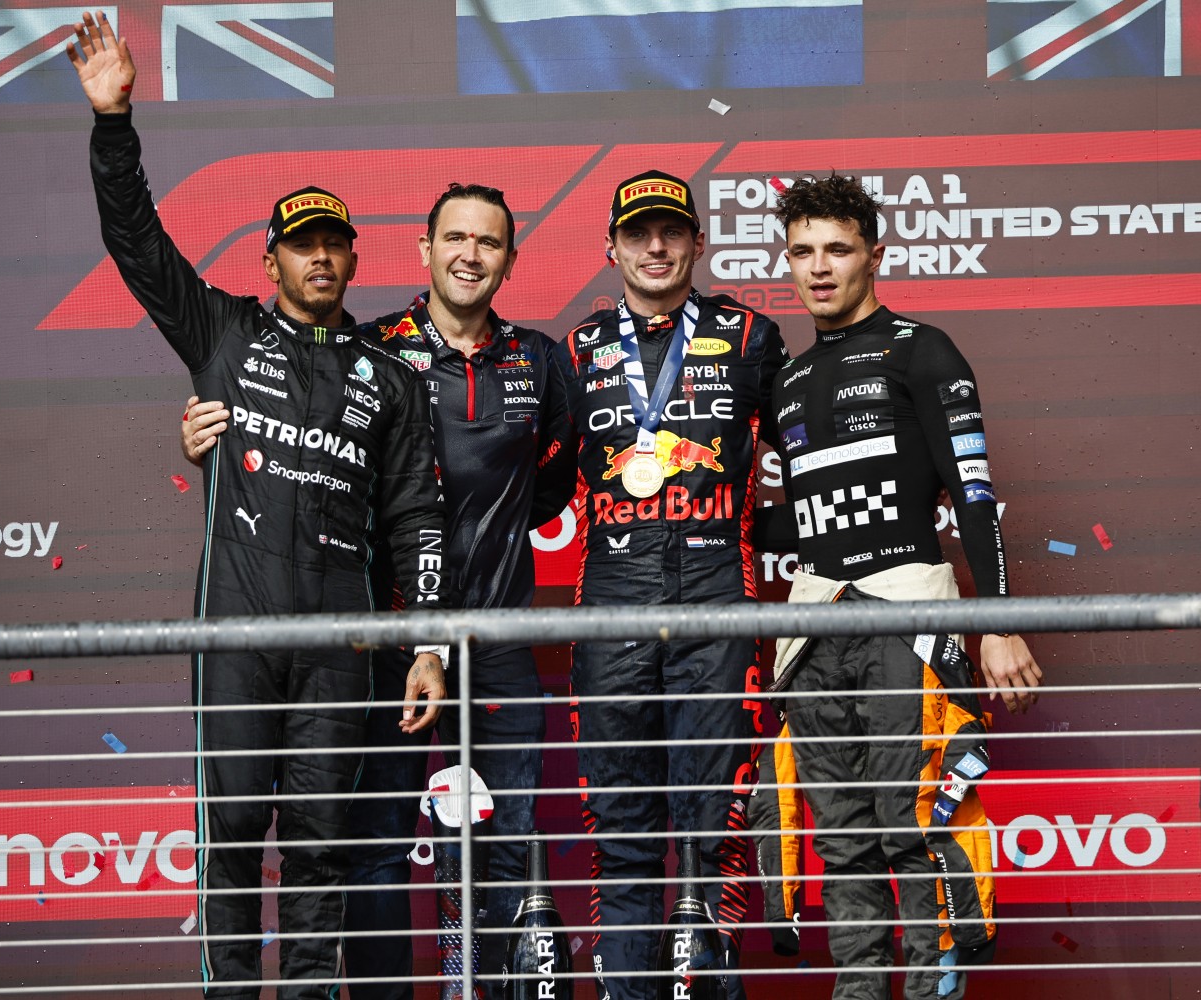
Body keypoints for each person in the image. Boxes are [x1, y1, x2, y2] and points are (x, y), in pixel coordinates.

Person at [66, 13, 448, 999]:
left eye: (334, 246)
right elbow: (138, 245)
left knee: (320, 852)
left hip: (341, 644)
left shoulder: (391, 378)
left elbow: (417, 521)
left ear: (355, 261)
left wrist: (429, 646)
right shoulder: (225, 335)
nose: (320, 259)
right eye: (301, 246)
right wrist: (115, 124)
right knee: (233, 839)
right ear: (271, 260)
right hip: (237, 633)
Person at [182, 183, 576, 1000]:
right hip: (382, 642)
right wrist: (209, 439)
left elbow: (551, 489)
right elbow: (307, 439)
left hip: (496, 639)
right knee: (369, 844)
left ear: (510, 259)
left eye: (491, 242)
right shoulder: (372, 351)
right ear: (422, 251)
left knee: (503, 845)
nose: (472, 254)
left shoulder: (540, 360)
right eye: (455, 238)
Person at [755, 173, 1044, 1000]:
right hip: (815, 634)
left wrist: (996, 623)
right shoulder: (790, 381)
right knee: (840, 843)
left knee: (916, 828)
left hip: (907, 622)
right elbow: (810, 520)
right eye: (803, 251)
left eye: (837, 249)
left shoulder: (924, 349)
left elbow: (975, 495)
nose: (819, 267)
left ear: (874, 255)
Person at [548, 170, 789, 1000]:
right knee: (619, 826)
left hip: (718, 594)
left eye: (672, 232)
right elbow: (523, 478)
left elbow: (811, 447)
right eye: (639, 232)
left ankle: (708, 987)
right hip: (610, 601)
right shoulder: (574, 350)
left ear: (696, 243)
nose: (656, 247)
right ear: (611, 246)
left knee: (709, 823)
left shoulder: (753, 335)